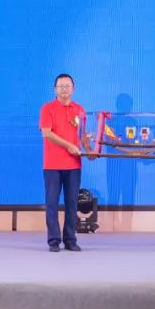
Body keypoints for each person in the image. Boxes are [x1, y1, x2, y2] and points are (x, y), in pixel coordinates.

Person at [39, 73, 90, 252]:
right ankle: (54, 240)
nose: (64, 89)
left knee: (72, 203)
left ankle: (70, 240)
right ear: (55, 89)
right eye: (61, 86)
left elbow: (83, 136)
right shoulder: (47, 108)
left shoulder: (80, 110)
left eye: (67, 86)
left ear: (73, 89)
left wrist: (89, 150)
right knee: (52, 203)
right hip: (52, 165)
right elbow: (47, 133)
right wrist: (69, 146)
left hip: (74, 165)